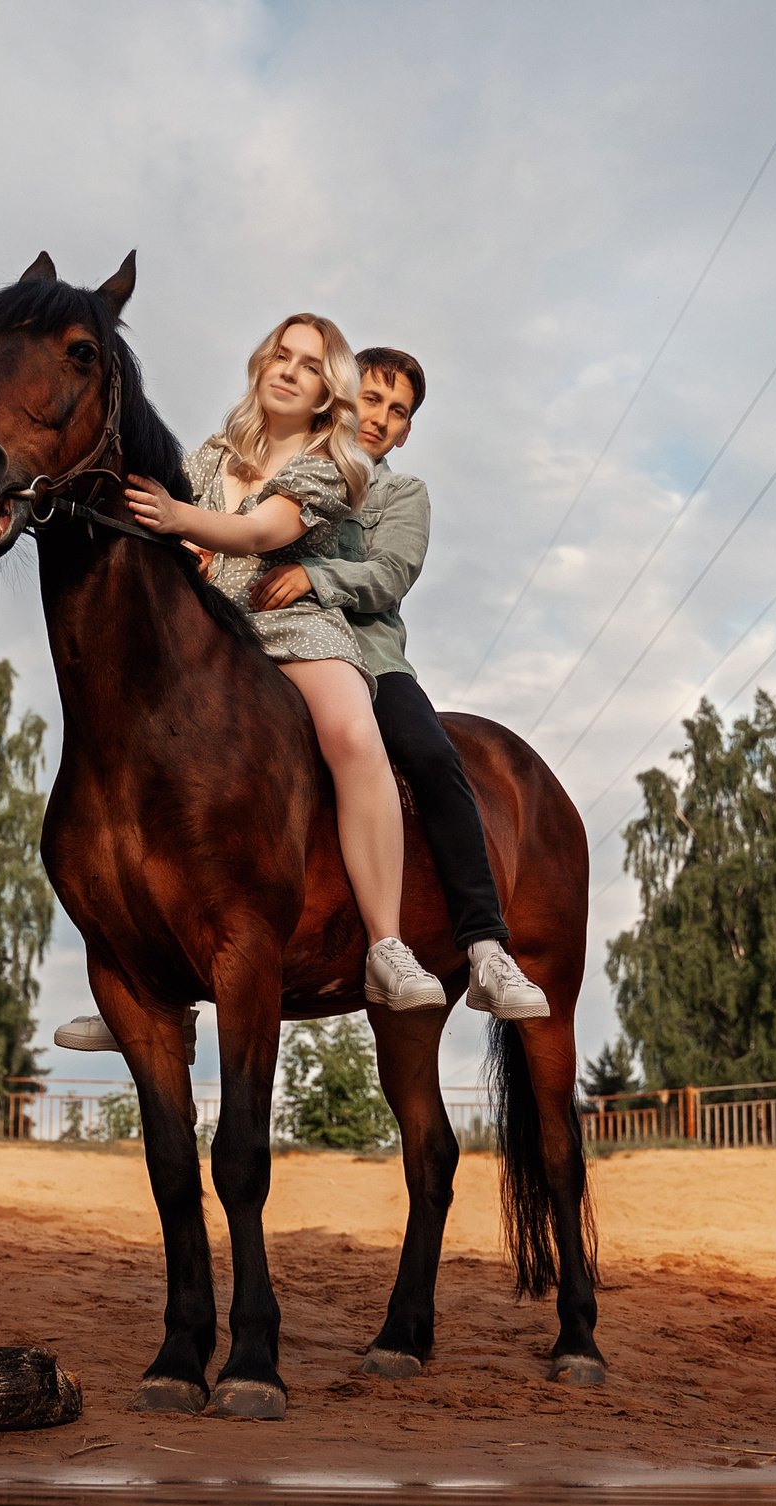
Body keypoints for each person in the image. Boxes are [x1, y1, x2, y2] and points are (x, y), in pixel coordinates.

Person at [54, 334, 543, 1061]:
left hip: (358, 647)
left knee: (428, 757)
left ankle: (482, 941)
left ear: (407, 429)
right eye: (372, 398)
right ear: (347, 398)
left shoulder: (397, 493)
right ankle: (149, 980)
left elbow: (388, 575)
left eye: (398, 411)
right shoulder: (271, 458)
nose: (380, 416)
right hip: (243, 636)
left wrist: (318, 582)